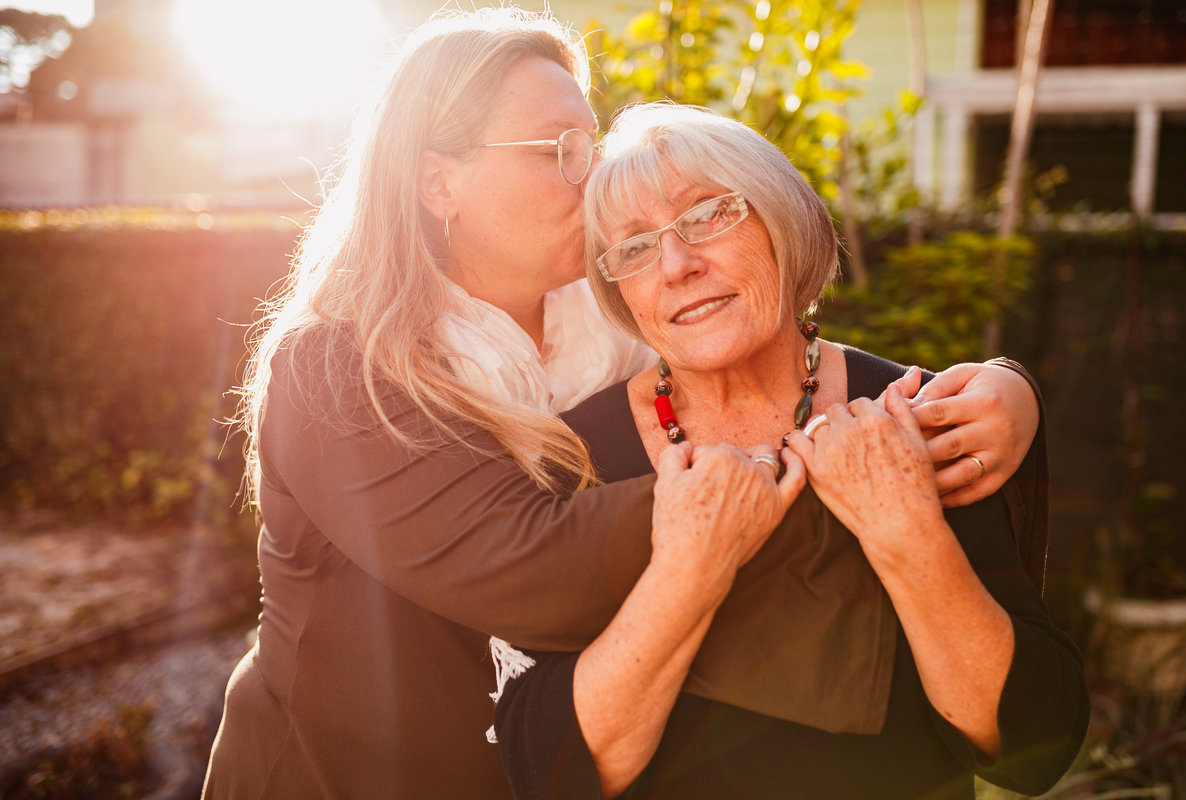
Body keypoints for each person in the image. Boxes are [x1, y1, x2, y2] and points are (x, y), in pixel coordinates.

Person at [203, 10, 1053, 800]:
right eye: (557, 149)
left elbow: (766, 347)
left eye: (591, 143)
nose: (594, 173)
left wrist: (994, 393)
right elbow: (521, 559)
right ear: (439, 183)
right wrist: (843, 467)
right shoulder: (339, 362)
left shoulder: (612, 325)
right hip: (353, 773)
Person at [492, 103, 1089, 800]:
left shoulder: (909, 417)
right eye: (634, 246)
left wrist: (907, 532)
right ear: (619, 289)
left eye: (708, 214)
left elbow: (1032, 748)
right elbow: (546, 773)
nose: (677, 264)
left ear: (782, 220)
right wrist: (692, 567)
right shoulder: (568, 458)